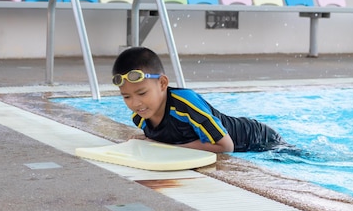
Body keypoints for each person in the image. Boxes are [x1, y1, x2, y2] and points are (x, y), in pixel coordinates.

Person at [111, 46, 291, 153]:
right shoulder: (140, 118)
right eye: (126, 96)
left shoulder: (185, 104)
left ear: (163, 83)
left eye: (142, 93)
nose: (135, 103)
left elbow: (226, 146)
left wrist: (167, 147)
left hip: (258, 138)